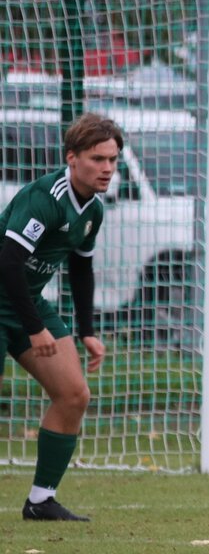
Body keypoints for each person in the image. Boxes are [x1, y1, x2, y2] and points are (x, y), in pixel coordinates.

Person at [0, 113, 122, 522]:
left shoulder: (93, 210)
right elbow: (8, 263)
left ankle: (40, 501)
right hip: (11, 299)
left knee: (74, 394)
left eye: (113, 159)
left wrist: (87, 331)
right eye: (97, 159)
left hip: (27, 302)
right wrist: (36, 329)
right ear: (72, 158)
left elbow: (81, 267)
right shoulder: (45, 198)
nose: (107, 168)